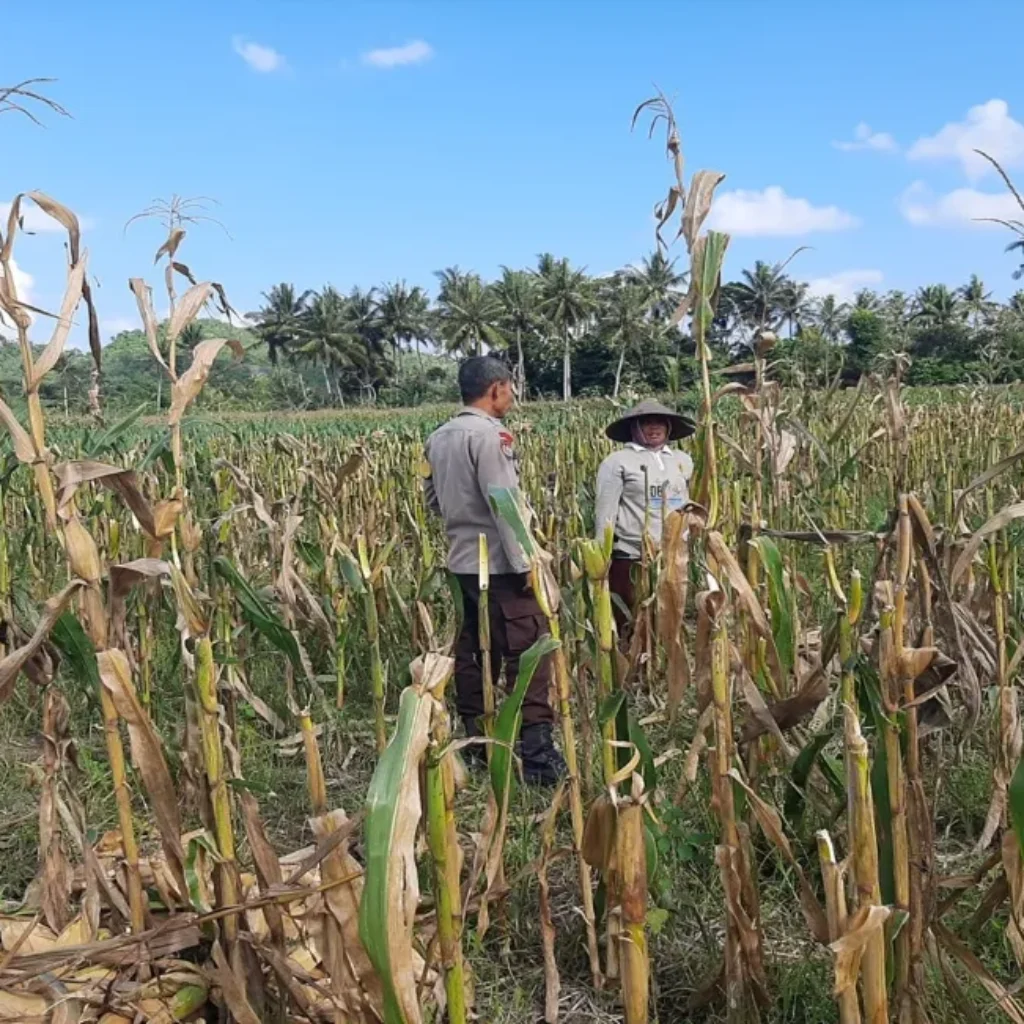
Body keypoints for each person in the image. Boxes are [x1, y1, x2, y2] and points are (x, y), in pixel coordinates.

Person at [423, 356, 565, 785]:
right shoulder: (491, 436)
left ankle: (477, 742)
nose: (514, 396)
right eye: (510, 388)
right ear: (496, 388)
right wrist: (527, 563)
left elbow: (432, 501)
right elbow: (505, 503)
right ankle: (538, 757)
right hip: (501, 564)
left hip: (462, 561)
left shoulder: (439, 436)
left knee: (474, 651)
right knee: (529, 652)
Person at [594, 399, 695, 636]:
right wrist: (602, 556)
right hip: (632, 556)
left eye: (659, 422)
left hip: (672, 555)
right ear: (633, 428)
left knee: (668, 622)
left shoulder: (682, 460)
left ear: (669, 427)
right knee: (631, 622)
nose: (654, 428)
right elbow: (605, 513)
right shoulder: (617, 462)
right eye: (646, 422)